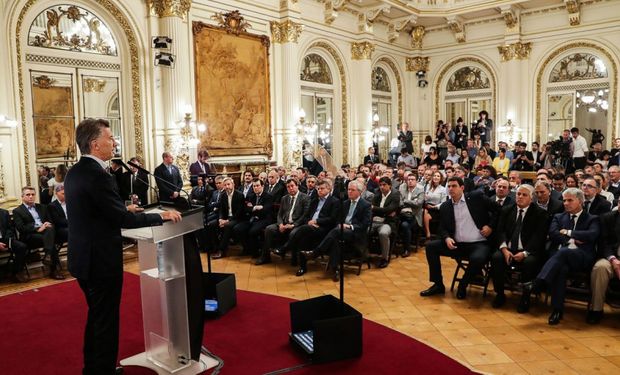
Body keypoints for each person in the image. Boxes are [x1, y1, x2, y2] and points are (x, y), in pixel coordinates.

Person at [65, 118, 181, 374]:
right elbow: (123, 220)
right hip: (101, 261)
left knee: (97, 318)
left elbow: (95, 210)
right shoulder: (98, 175)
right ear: (96, 144)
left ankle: (94, 368)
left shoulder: (75, 172)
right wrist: (159, 215)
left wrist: (121, 207)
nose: (114, 142)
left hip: (83, 258)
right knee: (105, 321)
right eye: (110, 138)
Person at [420, 177, 497, 300]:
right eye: (449, 186)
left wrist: (490, 226)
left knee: (478, 258)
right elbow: (442, 228)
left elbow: (498, 210)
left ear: (462, 188)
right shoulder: (446, 206)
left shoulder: (476, 198)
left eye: (454, 186)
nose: (451, 189)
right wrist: (446, 238)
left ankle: (463, 285)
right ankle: (438, 284)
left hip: (479, 243)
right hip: (458, 244)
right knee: (430, 247)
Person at [491, 184, 549, 313]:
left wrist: (525, 253)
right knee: (496, 258)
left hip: (529, 250)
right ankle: (500, 294)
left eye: (524, 195)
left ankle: (525, 297)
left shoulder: (540, 214)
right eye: (518, 194)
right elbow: (500, 231)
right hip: (508, 248)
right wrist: (504, 249)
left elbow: (539, 237)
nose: (520, 197)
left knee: (530, 263)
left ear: (532, 198)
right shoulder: (506, 210)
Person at [301, 180, 371, 282]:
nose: (349, 192)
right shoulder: (345, 203)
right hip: (341, 231)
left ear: (359, 192)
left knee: (336, 232)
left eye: (352, 190)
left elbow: (364, 224)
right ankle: (335, 270)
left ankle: (316, 252)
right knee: (336, 239)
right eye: (348, 189)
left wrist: (350, 226)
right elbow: (338, 219)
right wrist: (340, 224)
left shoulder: (366, 205)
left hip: (355, 232)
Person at [12, 187, 63, 280]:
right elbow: (21, 228)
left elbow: (51, 221)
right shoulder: (17, 211)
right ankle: (53, 270)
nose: (31, 196)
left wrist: (47, 224)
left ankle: (49, 257)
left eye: (33, 194)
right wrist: (37, 229)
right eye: (28, 195)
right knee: (50, 241)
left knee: (50, 229)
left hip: (46, 233)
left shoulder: (42, 207)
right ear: (22, 197)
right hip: (30, 237)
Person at [589, 205, 620, 324]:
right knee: (600, 267)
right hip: (611, 257)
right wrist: (613, 260)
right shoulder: (608, 218)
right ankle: (596, 310)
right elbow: (604, 243)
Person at [370, 177, 401, 268]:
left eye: (384, 185)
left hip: (388, 222)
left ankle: (384, 258)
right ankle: (365, 253)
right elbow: (372, 209)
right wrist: (384, 211)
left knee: (383, 233)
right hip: (375, 220)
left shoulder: (395, 195)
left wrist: (375, 209)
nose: (382, 187)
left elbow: (390, 209)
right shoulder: (377, 194)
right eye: (380, 185)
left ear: (390, 186)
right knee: (363, 228)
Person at [0, 208, 29, 283]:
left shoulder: (4, 212)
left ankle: (16, 273)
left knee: (21, 247)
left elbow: (10, 228)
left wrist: (7, 241)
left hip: (5, 239)